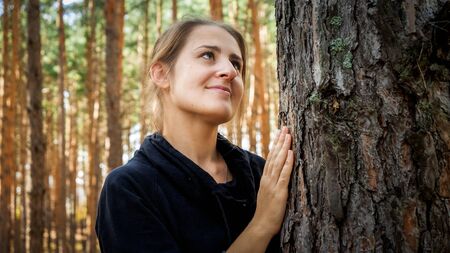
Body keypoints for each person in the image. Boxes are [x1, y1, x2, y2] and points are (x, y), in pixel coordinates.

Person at [95, 18, 294, 253]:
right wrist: (261, 225)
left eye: (236, 64)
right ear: (162, 74)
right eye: (208, 55)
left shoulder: (264, 174)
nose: (230, 71)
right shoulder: (129, 188)